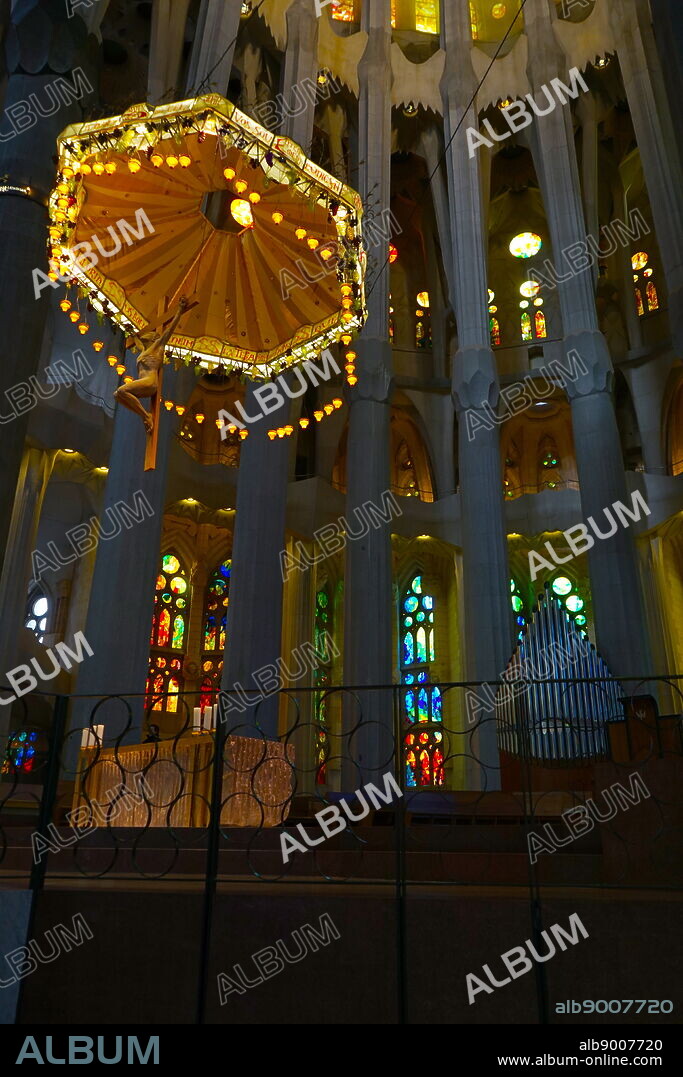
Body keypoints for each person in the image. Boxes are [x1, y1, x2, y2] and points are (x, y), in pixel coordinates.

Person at [113, 295, 197, 434]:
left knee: (122, 391)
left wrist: (179, 311)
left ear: (152, 339)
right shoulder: (144, 351)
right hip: (143, 382)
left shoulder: (158, 347)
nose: (144, 338)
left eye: (147, 336)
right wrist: (132, 332)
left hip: (150, 382)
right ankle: (144, 415)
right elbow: (137, 339)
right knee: (117, 395)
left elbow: (168, 331)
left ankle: (146, 416)